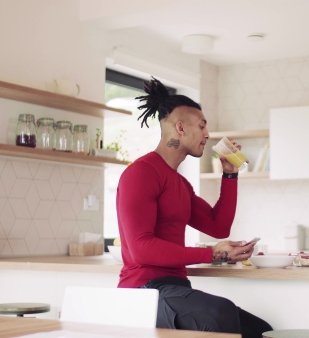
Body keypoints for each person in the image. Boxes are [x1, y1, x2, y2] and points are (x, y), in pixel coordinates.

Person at [116, 76, 273, 337]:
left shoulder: (180, 184)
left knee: (260, 330)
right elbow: (141, 249)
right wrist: (214, 254)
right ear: (180, 128)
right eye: (201, 126)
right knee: (220, 314)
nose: (207, 134)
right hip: (143, 292)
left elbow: (218, 226)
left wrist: (230, 174)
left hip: (176, 288)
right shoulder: (141, 173)